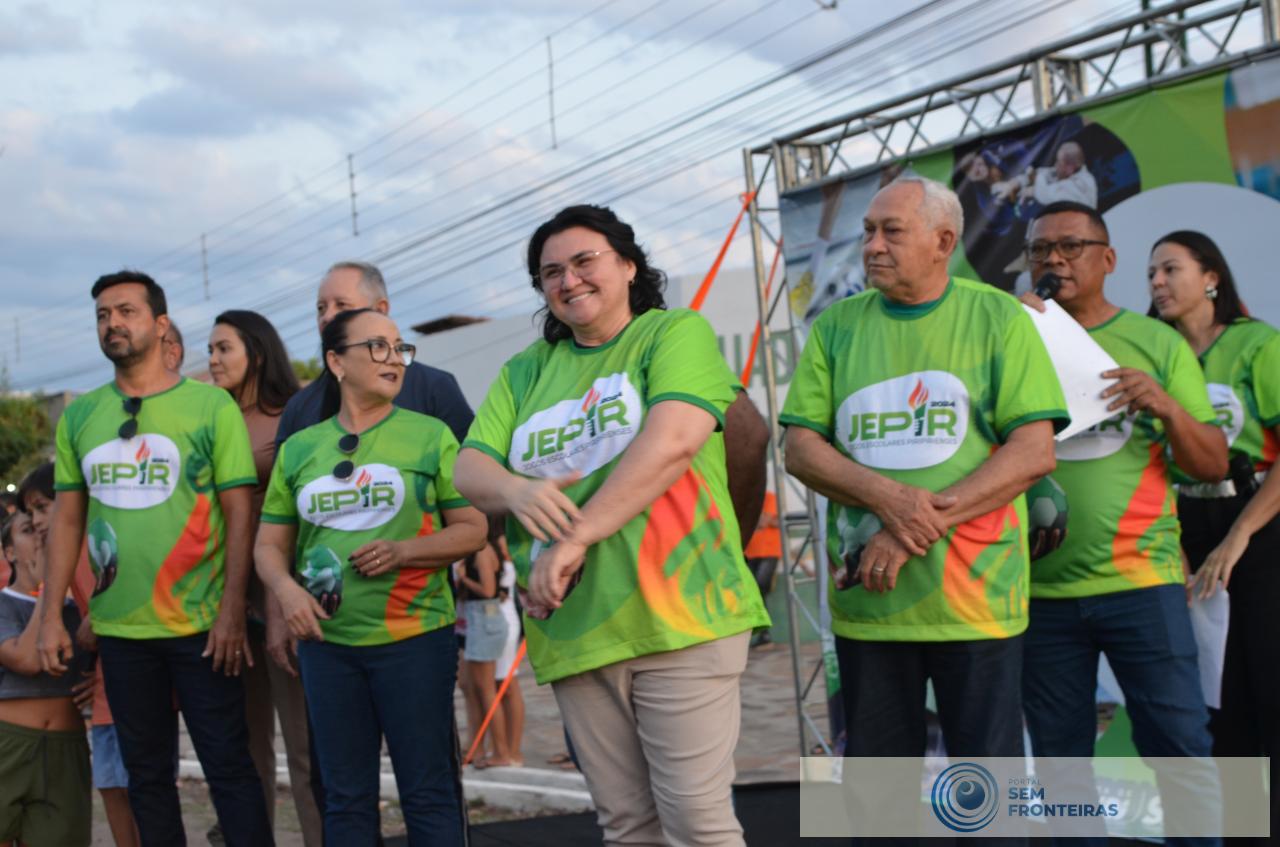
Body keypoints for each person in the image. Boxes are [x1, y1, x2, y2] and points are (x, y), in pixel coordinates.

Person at [456, 203, 772, 846]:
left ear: (628, 265)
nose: (568, 280)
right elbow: (469, 467)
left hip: (681, 613)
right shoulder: (525, 371)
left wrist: (574, 536)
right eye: (551, 273)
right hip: (575, 626)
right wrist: (516, 490)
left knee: (698, 825)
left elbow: (676, 439)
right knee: (627, 827)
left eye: (584, 261)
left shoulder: (672, 333)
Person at [781, 177, 1067, 839]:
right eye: (867, 232)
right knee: (877, 803)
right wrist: (893, 501)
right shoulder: (837, 327)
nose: (872, 246)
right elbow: (800, 450)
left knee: (988, 800)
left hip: (976, 599)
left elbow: (1032, 453)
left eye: (891, 232)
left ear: (942, 242)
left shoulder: (998, 317)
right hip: (871, 605)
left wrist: (909, 526)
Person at [35, 269, 274, 846]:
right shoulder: (82, 416)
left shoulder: (209, 406)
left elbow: (239, 511)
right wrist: (50, 617)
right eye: (102, 315)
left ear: (160, 324)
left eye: (126, 311)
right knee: (146, 779)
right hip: (120, 631)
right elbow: (66, 520)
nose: (112, 323)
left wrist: (232, 608)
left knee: (230, 770)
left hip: (203, 625)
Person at [1020, 203, 1228, 846]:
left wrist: (1165, 406)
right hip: (1038, 592)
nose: (1055, 259)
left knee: (1180, 750)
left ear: (1107, 259)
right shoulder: (1011, 337)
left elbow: (1212, 463)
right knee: (1059, 766)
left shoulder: (1156, 342)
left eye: (1071, 246)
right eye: (1041, 250)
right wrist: (1012, 328)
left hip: (1142, 583)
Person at [255, 307, 487, 845]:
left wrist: (406, 550)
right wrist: (287, 592)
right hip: (328, 647)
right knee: (344, 798)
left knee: (428, 793)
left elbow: (473, 528)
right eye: (378, 347)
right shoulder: (300, 448)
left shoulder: (430, 435)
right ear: (336, 362)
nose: (395, 359)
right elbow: (268, 545)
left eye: (400, 347)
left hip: (415, 641)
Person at [1147, 230, 1279, 838]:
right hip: (1184, 530)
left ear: (1211, 278)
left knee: (1268, 682)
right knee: (1217, 700)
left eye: (1170, 269)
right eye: (1151, 274)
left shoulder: (1256, 345)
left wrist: (1239, 536)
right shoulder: (1157, 355)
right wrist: (1174, 539)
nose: (1157, 282)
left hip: (1259, 523)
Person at [208, 309, 323, 846]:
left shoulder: (293, 414)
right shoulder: (212, 417)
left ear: (256, 352)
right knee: (245, 745)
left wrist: (281, 598)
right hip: (223, 595)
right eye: (210, 349)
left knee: (304, 746)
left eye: (223, 348)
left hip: (283, 588)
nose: (212, 360)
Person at [18, 462, 140, 847]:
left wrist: (98, 618)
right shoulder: (65, 556)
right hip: (105, 689)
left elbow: (135, 592)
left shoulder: (102, 541)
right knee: (111, 786)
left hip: (132, 685)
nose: (37, 520)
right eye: (30, 513)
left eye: (42, 508)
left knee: (139, 788)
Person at [0, 509, 92, 847]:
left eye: (45, 527)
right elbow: (26, 659)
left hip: (65, 750)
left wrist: (100, 681)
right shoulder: (3, 605)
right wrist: (50, 587)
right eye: (27, 529)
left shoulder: (82, 608)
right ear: (10, 552)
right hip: (8, 745)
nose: (40, 534)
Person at [455, 540, 511, 768]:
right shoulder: (473, 551)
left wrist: (463, 578)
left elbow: (489, 591)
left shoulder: (482, 551)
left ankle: (501, 752)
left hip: (484, 619)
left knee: (487, 690)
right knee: (473, 688)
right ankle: (478, 747)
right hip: (476, 619)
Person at [492, 534, 525, 766]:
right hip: (488, 621)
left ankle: (513, 751)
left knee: (508, 685)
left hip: (503, 619)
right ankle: (503, 749)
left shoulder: (501, 539)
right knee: (496, 686)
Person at [743, 490, 782, 647]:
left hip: (769, 552)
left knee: (760, 589)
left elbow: (763, 522)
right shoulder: (747, 498)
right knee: (755, 592)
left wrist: (751, 519)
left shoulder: (769, 497)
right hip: (749, 552)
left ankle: (764, 634)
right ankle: (763, 635)